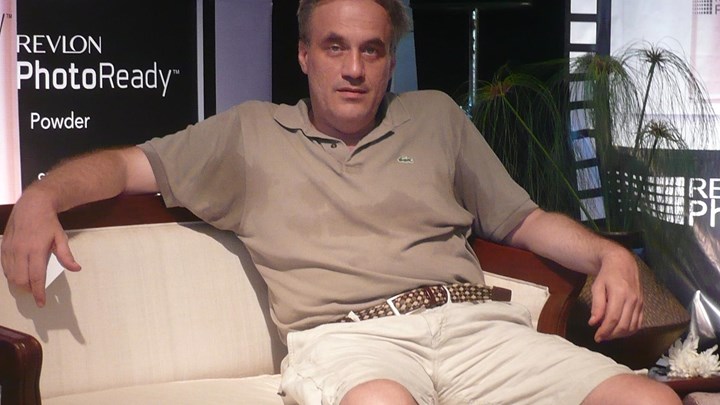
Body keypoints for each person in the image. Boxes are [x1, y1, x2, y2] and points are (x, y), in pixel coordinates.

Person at [1, 0, 681, 404]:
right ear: (304, 55)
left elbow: (524, 220)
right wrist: (42, 195)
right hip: (352, 340)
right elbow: (128, 165)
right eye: (335, 47)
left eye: (371, 50)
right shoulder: (250, 134)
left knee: (645, 398)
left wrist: (608, 254)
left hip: (479, 329)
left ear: (389, 59)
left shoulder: (436, 117)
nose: (354, 69)